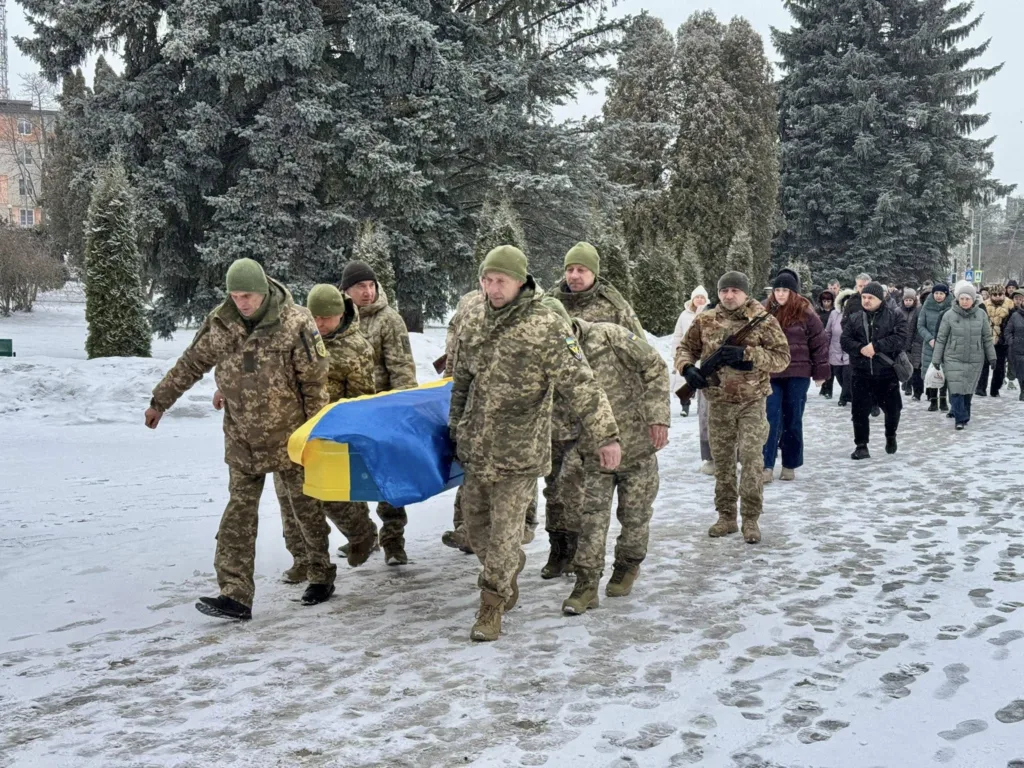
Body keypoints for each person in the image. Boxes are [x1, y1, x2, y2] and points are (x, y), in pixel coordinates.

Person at [145, 259, 334, 620]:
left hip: (290, 437)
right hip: (242, 438)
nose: (241, 302)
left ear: (262, 291)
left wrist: (314, 432)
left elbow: (314, 382)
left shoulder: (295, 322)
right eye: (234, 295)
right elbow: (191, 363)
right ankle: (235, 594)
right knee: (239, 514)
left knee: (305, 508)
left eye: (246, 295)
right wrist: (160, 401)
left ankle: (321, 572)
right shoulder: (221, 322)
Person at [449, 245, 620, 642]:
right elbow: (462, 380)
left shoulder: (546, 324)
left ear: (521, 281)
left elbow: (583, 385)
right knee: (476, 529)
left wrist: (606, 435)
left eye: (501, 281)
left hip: (521, 452)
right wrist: (456, 425)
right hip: (478, 447)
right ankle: (507, 566)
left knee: (506, 532)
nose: (493, 288)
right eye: (487, 280)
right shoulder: (475, 319)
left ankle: (491, 606)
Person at [539, 300, 670, 614]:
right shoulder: (552, 361)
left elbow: (655, 366)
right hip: (593, 451)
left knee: (634, 516)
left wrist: (658, 417)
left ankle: (627, 564)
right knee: (591, 518)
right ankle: (585, 584)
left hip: (637, 444)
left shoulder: (609, 335)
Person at [543, 242, 643, 579]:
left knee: (581, 488)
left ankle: (577, 552)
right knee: (554, 484)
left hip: (594, 412)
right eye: (570, 269)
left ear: (594, 272)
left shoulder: (614, 307)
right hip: (555, 411)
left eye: (581, 270)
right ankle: (557, 547)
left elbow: (638, 353)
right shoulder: (548, 303)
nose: (574, 275)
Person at [675, 271, 790, 544]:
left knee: (751, 459)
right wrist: (688, 369)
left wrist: (749, 357)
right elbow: (685, 348)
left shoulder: (763, 320)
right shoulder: (705, 320)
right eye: (724, 290)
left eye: (734, 291)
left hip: (752, 401)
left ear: (745, 293)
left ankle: (750, 519)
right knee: (723, 463)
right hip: (718, 402)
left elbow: (783, 358)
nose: (728, 295)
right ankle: (726, 516)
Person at [341, 261, 417, 565]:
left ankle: (393, 541)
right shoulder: (338, 319)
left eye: (371, 285)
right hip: (350, 413)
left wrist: (403, 409)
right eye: (360, 286)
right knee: (351, 480)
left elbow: (402, 369)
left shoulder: (389, 320)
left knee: (388, 480)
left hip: (384, 412)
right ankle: (363, 536)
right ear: (345, 290)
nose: (367, 291)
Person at [304, 284, 381, 570]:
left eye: (326, 318)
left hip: (337, 430)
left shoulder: (357, 348)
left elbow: (361, 399)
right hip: (302, 428)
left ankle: (362, 533)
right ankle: (305, 559)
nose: (320, 324)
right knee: (301, 498)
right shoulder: (302, 339)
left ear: (340, 315)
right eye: (315, 317)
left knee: (335, 493)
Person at [761, 270, 830, 483]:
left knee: (793, 417)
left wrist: (820, 372)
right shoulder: (764, 310)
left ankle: (790, 463)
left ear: (794, 292)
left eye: (785, 290)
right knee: (770, 417)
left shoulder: (806, 312)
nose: (780, 294)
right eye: (777, 290)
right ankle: (766, 465)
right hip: (771, 372)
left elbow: (819, 343)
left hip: (798, 373)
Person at [840, 282, 908, 460]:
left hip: (886, 372)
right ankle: (861, 445)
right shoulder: (855, 318)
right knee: (859, 412)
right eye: (864, 297)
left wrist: (876, 347)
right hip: (861, 372)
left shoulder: (895, 315)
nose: (866, 301)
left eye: (871, 298)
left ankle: (890, 435)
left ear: (881, 299)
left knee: (893, 410)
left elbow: (901, 338)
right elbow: (845, 340)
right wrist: (860, 348)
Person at [932, 281, 996, 430]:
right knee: (956, 389)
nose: (965, 302)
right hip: (953, 357)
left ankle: (964, 413)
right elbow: (941, 338)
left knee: (968, 389)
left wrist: (992, 356)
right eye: (962, 298)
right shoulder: (949, 315)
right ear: (957, 299)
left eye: (967, 299)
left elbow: (987, 337)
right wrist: (936, 358)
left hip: (975, 358)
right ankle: (960, 419)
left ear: (973, 299)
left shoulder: (981, 315)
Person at [671, 285, 709, 416]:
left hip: (705, 353)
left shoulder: (711, 312)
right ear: (692, 299)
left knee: (703, 382)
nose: (699, 300)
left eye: (702, 297)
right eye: (697, 297)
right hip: (688, 352)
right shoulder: (684, 315)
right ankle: (685, 406)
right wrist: (676, 354)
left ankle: (702, 409)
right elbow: (678, 334)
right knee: (685, 381)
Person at [918, 283, 953, 412]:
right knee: (931, 372)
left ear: (946, 294)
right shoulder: (926, 307)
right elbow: (920, 326)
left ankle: (943, 400)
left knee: (945, 373)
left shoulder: (951, 308)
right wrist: (930, 339)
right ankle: (933, 401)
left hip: (946, 346)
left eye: (941, 293)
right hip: (930, 346)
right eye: (936, 293)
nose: (938, 296)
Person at [977, 284, 1013, 397]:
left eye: (1000, 294)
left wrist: (1002, 338)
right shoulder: (983, 306)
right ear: (991, 295)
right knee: (983, 365)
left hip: (1002, 342)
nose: (998, 297)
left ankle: (995, 390)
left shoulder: (1010, 306)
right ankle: (981, 389)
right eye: (995, 294)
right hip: (986, 340)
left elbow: (1010, 325)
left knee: (999, 367)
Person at [826, 290, 855, 406]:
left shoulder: (856, 314)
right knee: (839, 375)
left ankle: (843, 398)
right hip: (835, 349)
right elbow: (828, 331)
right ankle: (850, 394)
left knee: (848, 375)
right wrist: (825, 346)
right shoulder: (834, 314)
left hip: (850, 350)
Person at [899, 288, 924, 400]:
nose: (908, 302)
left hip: (914, 342)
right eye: (906, 300)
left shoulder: (918, 311)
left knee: (914, 365)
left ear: (914, 301)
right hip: (901, 341)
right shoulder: (899, 311)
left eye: (910, 300)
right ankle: (906, 384)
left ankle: (913, 388)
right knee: (903, 363)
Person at [1003, 290, 1024, 402]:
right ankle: (1023, 391)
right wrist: (1012, 342)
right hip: (1019, 349)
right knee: (1021, 372)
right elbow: (1007, 331)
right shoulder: (1015, 315)